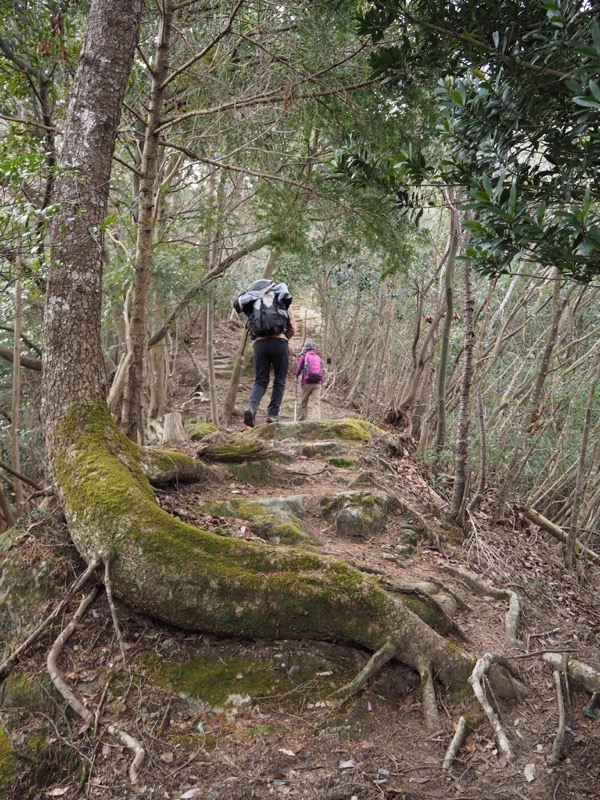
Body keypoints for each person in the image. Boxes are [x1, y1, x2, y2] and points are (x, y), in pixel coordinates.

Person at [233, 279, 297, 426]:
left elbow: (251, 326)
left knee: (261, 380)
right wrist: (284, 337)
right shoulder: (280, 297)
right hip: (280, 343)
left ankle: (252, 406)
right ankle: (272, 414)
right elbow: (293, 327)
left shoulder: (251, 301)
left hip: (260, 345)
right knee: (279, 380)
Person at [294, 341, 325, 421]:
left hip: (307, 383)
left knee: (304, 401)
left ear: (306, 349)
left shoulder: (303, 357)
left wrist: (296, 376)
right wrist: (321, 382)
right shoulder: (318, 358)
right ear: (314, 349)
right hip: (317, 384)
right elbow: (323, 371)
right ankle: (316, 420)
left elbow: (298, 370)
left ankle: (301, 419)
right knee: (316, 403)